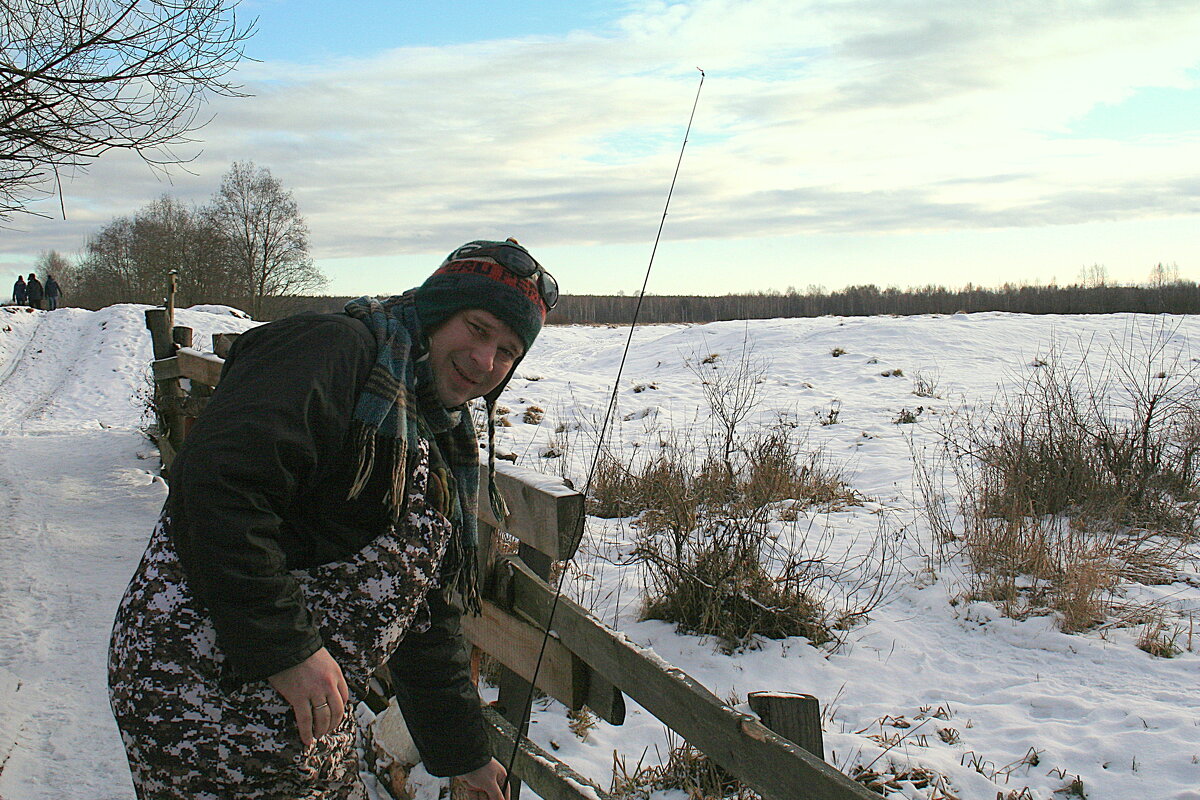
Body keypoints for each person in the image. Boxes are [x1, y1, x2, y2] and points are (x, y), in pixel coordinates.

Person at [108, 238, 559, 799]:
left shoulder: (434, 430)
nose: (486, 361)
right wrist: (287, 648)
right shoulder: (333, 352)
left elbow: (418, 612)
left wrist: (462, 751)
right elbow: (217, 489)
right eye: (478, 327)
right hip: (199, 685)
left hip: (303, 711)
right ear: (440, 308)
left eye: (509, 350)